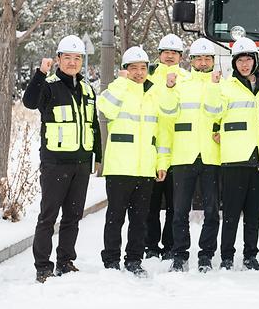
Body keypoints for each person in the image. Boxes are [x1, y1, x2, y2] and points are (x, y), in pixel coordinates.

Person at [23, 35, 101, 283]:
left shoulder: (88, 90)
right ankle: (43, 266)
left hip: (80, 164)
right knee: (48, 216)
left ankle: (65, 261)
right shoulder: (48, 85)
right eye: (67, 57)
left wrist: (97, 156)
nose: (72, 62)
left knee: (73, 216)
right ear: (58, 59)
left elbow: (93, 126)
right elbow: (29, 102)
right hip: (55, 163)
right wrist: (39, 74)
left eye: (77, 58)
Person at [97, 46, 174, 277]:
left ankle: (134, 260)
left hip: (145, 168)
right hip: (120, 167)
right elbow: (105, 108)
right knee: (115, 218)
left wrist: (161, 163)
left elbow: (162, 129)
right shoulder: (117, 89)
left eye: (143, 68)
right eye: (134, 68)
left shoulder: (154, 93)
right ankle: (111, 260)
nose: (139, 73)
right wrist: (121, 83)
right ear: (125, 70)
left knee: (140, 220)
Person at [215, 37, 259, 271]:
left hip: (258, 158)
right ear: (234, 63)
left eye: (249, 59)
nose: (245, 64)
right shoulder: (225, 86)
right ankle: (227, 257)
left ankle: (251, 256)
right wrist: (213, 87)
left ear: (256, 60)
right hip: (234, 158)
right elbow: (214, 114)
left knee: (253, 214)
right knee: (231, 213)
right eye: (240, 60)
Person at [168, 37, 223, 274]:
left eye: (207, 58)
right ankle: (179, 255)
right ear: (190, 61)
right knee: (180, 211)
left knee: (212, 211)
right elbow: (168, 112)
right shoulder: (180, 84)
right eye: (198, 58)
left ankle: (206, 255)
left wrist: (213, 85)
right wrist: (169, 89)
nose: (203, 62)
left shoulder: (222, 84)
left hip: (212, 156)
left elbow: (218, 113)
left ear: (213, 60)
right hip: (184, 155)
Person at [144, 33, 188, 260]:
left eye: (174, 53)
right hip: (152, 148)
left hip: (178, 150)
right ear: (159, 55)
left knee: (175, 205)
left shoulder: (188, 79)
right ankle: (150, 245)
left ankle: (170, 245)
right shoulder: (147, 77)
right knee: (151, 204)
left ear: (181, 56)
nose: (169, 56)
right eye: (166, 52)